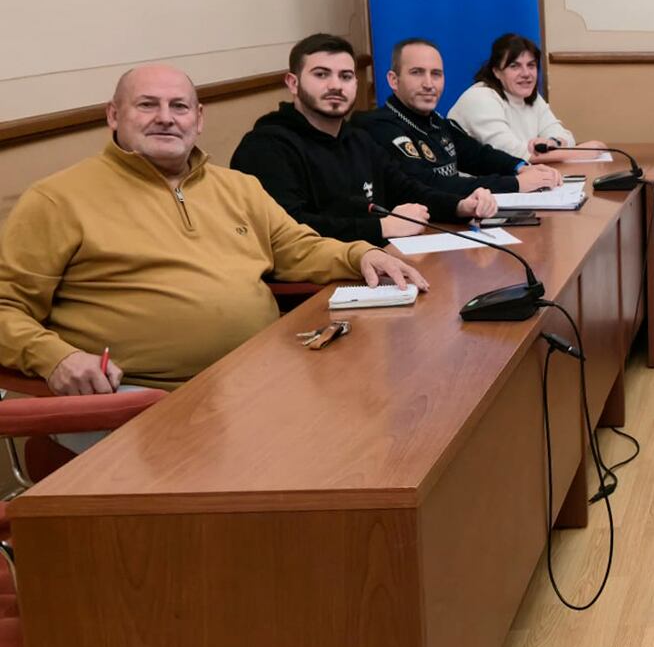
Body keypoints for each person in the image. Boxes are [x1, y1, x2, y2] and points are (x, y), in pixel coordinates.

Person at [0, 64, 426, 403]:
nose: (165, 118)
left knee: (379, 409)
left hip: (265, 379)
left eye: (179, 107)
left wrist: (360, 255)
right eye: (147, 105)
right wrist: (57, 359)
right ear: (113, 115)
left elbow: (296, 247)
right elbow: (6, 306)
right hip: (142, 401)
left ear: (199, 118)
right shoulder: (58, 200)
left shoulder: (237, 187)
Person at [233, 34, 495, 245]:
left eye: (345, 76)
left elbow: (406, 189)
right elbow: (288, 228)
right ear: (293, 83)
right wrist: (381, 227)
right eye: (321, 74)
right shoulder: (265, 147)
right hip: (314, 283)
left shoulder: (358, 139)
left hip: (378, 263)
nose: (336, 85)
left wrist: (459, 206)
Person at [356, 38, 562, 195]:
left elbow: (478, 155)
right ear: (394, 80)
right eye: (417, 73)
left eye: (436, 74)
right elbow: (429, 184)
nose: (428, 84)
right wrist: (514, 184)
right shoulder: (379, 126)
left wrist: (520, 167)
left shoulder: (435, 121)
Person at [446, 33, 606, 164]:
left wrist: (553, 142)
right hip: (476, 189)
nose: (526, 74)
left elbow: (565, 137)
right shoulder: (480, 98)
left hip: (517, 180)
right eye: (514, 66)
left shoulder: (530, 96)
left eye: (531, 65)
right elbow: (510, 154)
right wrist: (581, 152)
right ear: (496, 71)